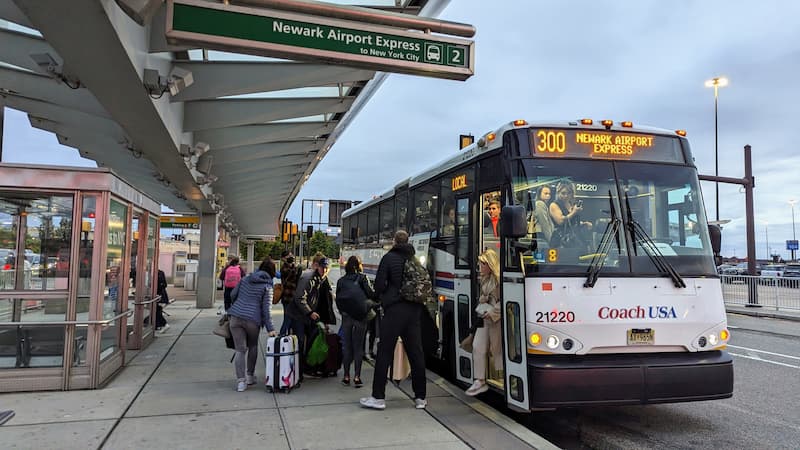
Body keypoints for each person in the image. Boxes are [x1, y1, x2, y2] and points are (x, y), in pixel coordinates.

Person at [360, 230, 427, 410]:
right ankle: (420, 397)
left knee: (384, 352)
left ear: (394, 241)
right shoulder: (414, 258)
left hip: (394, 310)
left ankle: (378, 397)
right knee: (415, 352)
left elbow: (380, 285)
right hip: (414, 310)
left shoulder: (389, 258)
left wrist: (377, 296)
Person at [227, 258, 277, 392]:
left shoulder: (246, 279)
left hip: (236, 317)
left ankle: (241, 382)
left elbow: (232, 294)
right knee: (253, 346)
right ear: (272, 272)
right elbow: (266, 310)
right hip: (252, 320)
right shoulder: (267, 286)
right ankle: (249, 376)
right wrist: (270, 329)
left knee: (240, 350)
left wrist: (239, 304)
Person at [285, 253, 335, 379]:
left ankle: (305, 368)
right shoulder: (308, 278)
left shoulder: (320, 278)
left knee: (308, 342)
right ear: (317, 266)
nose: (325, 271)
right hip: (298, 315)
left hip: (306, 316)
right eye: (323, 268)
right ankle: (298, 371)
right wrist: (310, 312)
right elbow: (299, 298)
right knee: (300, 342)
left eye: (327, 268)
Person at [465, 249, 502, 396]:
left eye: (482, 264)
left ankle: (503, 376)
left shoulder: (499, 280)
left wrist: (492, 312)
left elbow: (504, 301)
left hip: (495, 320)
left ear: (490, 265)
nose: (480, 267)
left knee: (497, 350)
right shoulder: (485, 279)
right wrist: (483, 300)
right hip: (485, 318)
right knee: (477, 347)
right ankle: (480, 380)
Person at [336, 255, 376, 388]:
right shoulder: (362, 278)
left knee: (347, 346)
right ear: (359, 265)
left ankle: (346, 376)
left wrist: (343, 312)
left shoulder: (341, 281)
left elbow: (338, 299)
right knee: (358, 347)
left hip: (347, 317)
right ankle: (357, 377)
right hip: (360, 316)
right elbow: (371, 294)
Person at [549, 181, 592, 251]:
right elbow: (560, 221)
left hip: (575, 239)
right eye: (563, 193)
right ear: (558, 192)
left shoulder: (571, 204)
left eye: (569, 193)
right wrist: (574, 212)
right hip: (561, 240)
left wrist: (583, 224)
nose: (566, 196)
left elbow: (572, 222)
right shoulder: (554, 205)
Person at [278, 250, 300, 336]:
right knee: (288, 318)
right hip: (287, 296)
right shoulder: (284, 268)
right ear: (283, 258)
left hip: (293, 296)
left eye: (291, 255)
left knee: (291, 318)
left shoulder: (292, 266)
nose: (291, 257)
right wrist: (294, 266)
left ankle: (288, 336)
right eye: (288, 256)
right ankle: (281, 335)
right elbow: (292, 273)